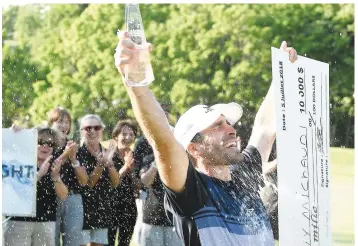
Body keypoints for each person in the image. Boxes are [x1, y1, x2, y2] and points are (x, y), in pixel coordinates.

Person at [114, 31, 297, 246]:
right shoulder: (191, 189)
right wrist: (135, 83)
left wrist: (283, 76)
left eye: (228, 122)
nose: (231, 130)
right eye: (217, 126)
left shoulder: (243, 173)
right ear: (194, 148)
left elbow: (265, 128)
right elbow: (163, 140)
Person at [4, 127, 69, 246]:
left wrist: (56, 177)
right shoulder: (20, 160)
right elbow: (12, 188)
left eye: (50, 143)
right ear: (32, 143)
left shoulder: (57, 164)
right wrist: (14, 135)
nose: (45, 146)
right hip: (18, 220)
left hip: (46, 221)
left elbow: (63, 195)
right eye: (40, 142)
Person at [48, 107, 89, 246]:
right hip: (50, 199)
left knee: (73, 243)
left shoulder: (75, 147)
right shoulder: (45, 145)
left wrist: (73, 159)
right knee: (50, 241)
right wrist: (66, 154)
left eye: (67, 122)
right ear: (51, 123)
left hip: (73, 199)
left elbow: (84, 181)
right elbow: (50, 168)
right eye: (60, 121)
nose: (64, 126)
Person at [77, 114, 120, 246]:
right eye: (88, 128)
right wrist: (101, 165)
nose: (93, 131)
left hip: (102, 208)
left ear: (102, 130)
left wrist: (110, 164)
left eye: (97, 127)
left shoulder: (109, 151)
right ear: (81, 131)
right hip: (82, 209)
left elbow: (116, 182)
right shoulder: (78, 153)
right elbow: (88, 183)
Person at [107, 120, 139, 246]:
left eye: (131, 135)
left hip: (129, 206)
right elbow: (110, 182)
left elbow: (137, 186)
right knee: (108, 242)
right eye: (124, 134)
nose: (128, 137)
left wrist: (132, 171)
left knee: (124, 243)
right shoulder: (109, 154)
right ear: (116, 136)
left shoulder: (134, 156)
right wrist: (125, 167)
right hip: (110, 205)